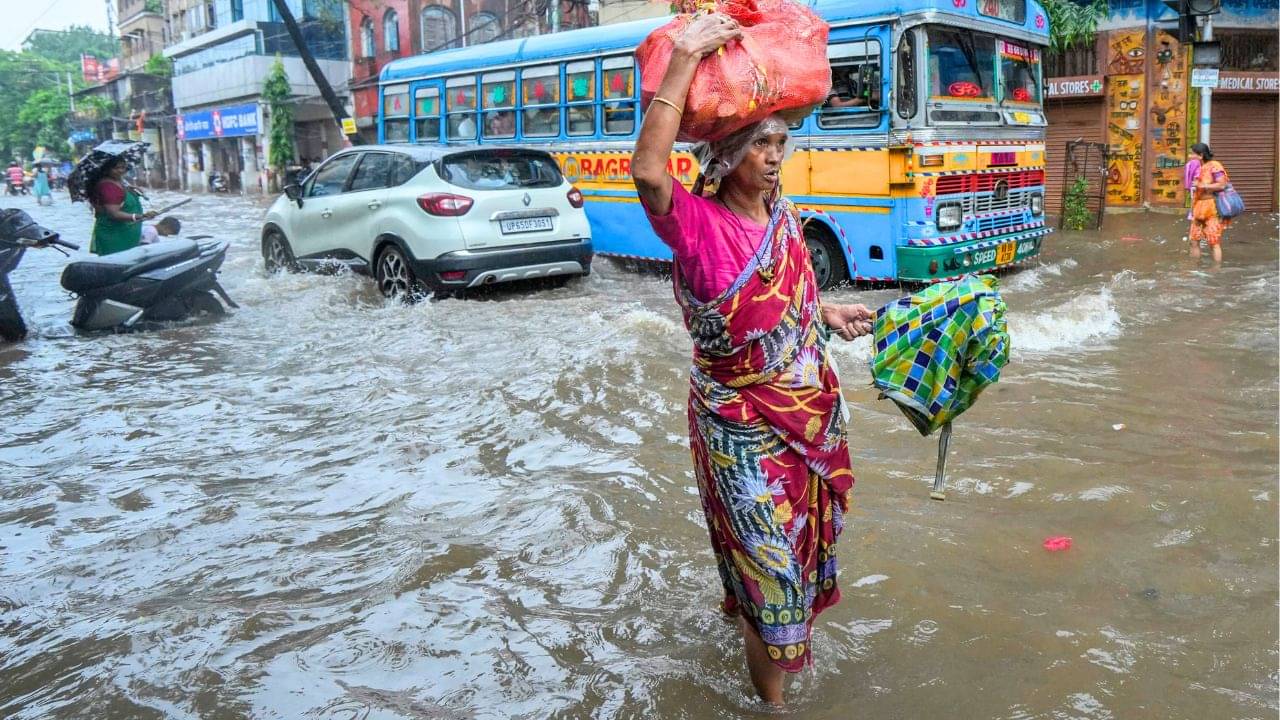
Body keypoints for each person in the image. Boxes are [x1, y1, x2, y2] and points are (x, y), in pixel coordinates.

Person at [631, 12, 873, 706]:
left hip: (799, 422)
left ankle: (749, 620)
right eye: (761, 142)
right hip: (736, 428)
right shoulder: (696, 224)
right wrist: (683, 60)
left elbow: (783, 289)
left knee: (790, 551)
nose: (774, 155)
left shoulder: (784, 219)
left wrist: (822, 311)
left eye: (780, 141)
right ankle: (774, 705)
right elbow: (650, 170)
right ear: (727, 152)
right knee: (773, 579)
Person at [89, 156, 157, 255]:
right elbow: (114, 214)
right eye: (116, 168)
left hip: (127, 233)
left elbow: (121, 200)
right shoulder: (108, 187)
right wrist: (140, 216)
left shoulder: (119, 182)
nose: (121, 171)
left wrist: (132, 191)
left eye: (123, 167)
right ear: (107, 169)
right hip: (114, 236)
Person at [1187, 142, 1229, 264]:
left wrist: (1202, 185)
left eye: (1192, 154)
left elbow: (1222, 184)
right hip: (1198, 207)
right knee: (1194, 240)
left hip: (1211, 208)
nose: (1190, 156)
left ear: (1200, 155)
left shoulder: (1214, 166)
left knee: (1213, 241)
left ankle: (1216, 270)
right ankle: (1194, 269)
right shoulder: (1198, 167)